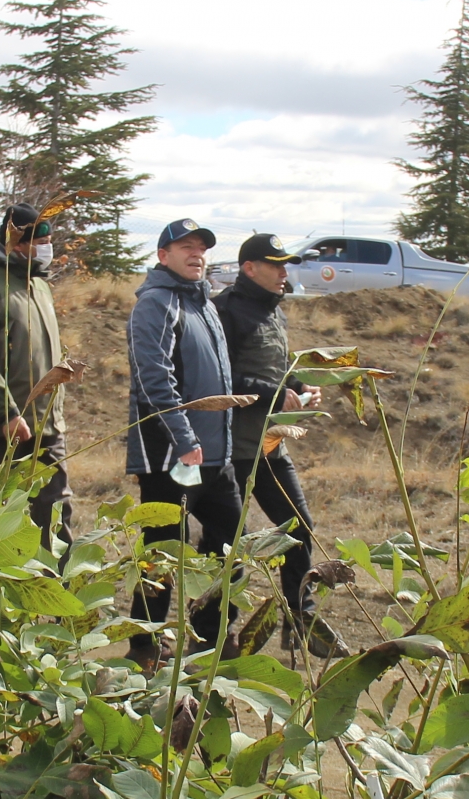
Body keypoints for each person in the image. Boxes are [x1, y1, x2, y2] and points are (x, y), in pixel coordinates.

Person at [217, 232, 343, 657]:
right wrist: (273, 392)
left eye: (286, 265)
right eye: (275, 266)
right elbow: (217, 379)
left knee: (298, 527)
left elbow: (275, 369)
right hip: (231, 450)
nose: (284, 274)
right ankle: (220, 633)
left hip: (271, 446)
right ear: (249, 268)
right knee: (228, 543)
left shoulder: (275, 312)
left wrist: (299, 386)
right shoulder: (225, 312)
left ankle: (300, 618)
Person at [125, 218, 242, 663]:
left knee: (231, 547)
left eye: (201, 248)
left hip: (215, 457)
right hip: (172, 456)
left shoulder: (205, 305)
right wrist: (184, 437)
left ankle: (209, 639)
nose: (197, 254)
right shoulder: (155, 304)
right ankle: (145, 648)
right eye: (185, 247)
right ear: (163, 257)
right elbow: (154, 378)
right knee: (162, 555)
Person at [0, 203, 76, 542]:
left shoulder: (40, 287)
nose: (45, 249)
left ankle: (54, 591)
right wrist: (7, 412)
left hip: (45, 427)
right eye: (38, 241)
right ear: (16, 241)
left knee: (53, 517)